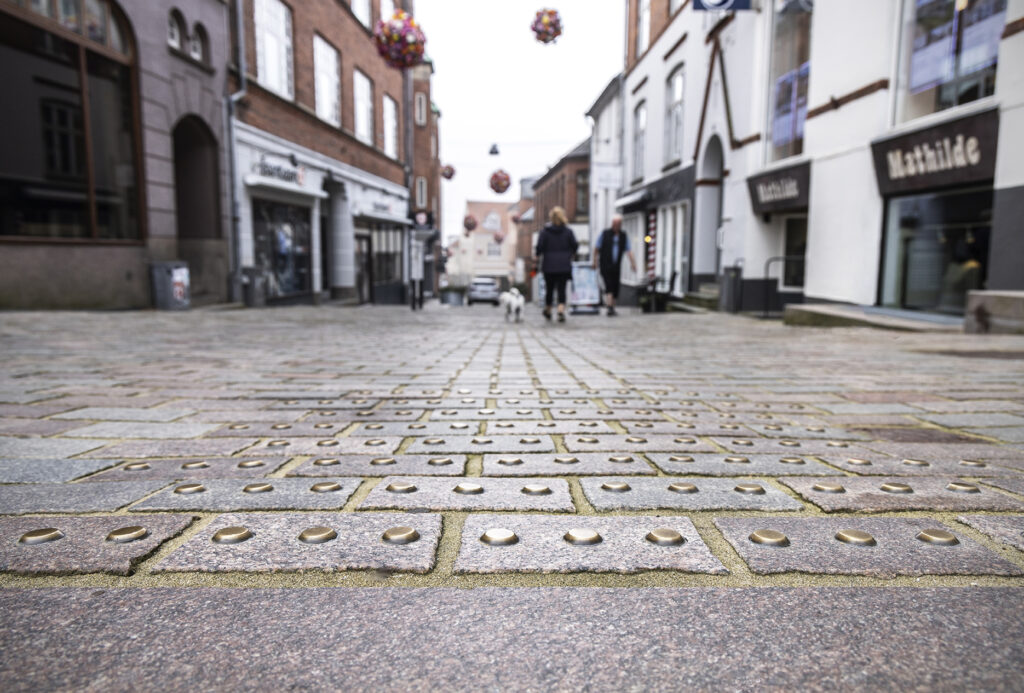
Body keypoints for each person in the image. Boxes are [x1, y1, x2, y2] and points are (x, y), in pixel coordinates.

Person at [534, 206, 578, 322]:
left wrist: (537, 258)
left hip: (549, 265)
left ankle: (548, 309)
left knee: (549, 289)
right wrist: (570, 254)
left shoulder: (545, 232)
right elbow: (575, 245)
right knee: (561, 289)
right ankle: (560, 310)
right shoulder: (568, 231)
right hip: (564, 264)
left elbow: (539, 248)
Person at [592, 215, 637, 316]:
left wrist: (633, 263)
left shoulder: (623, 236)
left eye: (618, 224)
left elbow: (628, 250)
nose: (616, 226)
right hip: (605, 265)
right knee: (609, 285)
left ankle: (612, 307)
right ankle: (610, 307)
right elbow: (596, 248)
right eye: (614, 223)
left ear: (620, 225)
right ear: (612, 224)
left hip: (616, 266)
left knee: (615, 286)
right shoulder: (605, 234)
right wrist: (594, 262)